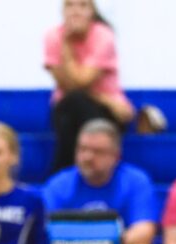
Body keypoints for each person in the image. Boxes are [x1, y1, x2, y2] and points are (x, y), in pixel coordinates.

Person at [43, 118, 158, 244]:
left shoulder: (136, 181)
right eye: (82, 149)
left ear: (116, 156)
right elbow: (43, 229)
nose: (87, 157)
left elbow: (144, 231)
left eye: (97, 151)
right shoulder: (59, 184)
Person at [43, 0, 134, 173]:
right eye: (70, 5)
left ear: (92, 11)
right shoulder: (52, 36)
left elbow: (82, 81)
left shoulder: (103, 35)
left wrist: (66, 48)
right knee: (71, 105)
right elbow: (68, 85)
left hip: (107, 113)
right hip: (69, 109)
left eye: (82, 5)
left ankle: (63, 174)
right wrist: (66, 44)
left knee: (76, 106)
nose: (75, 11)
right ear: (62, 10)